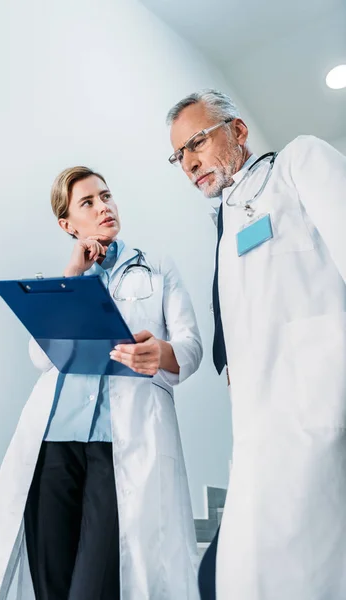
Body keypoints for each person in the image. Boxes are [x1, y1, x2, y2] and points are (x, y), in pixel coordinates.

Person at [0, 166, 203, 600]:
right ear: (67, 224)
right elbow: (41, 358)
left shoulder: (157, 267)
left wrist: (160, 353)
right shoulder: (64, 282)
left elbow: (190, 347)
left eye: (106, 196)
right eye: (88, 203)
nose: (104, 207)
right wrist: (72, 274)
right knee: (51, 581)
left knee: (95, 585)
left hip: (120, 446)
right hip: (54, 445)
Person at [166, 89, 346, 600]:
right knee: (231, 578)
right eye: (179, 155)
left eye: (197, 142)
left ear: (238, 131)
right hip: (259, 425)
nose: (189, 162)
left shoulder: (297, 165)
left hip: (319, 407)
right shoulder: (227, 223)